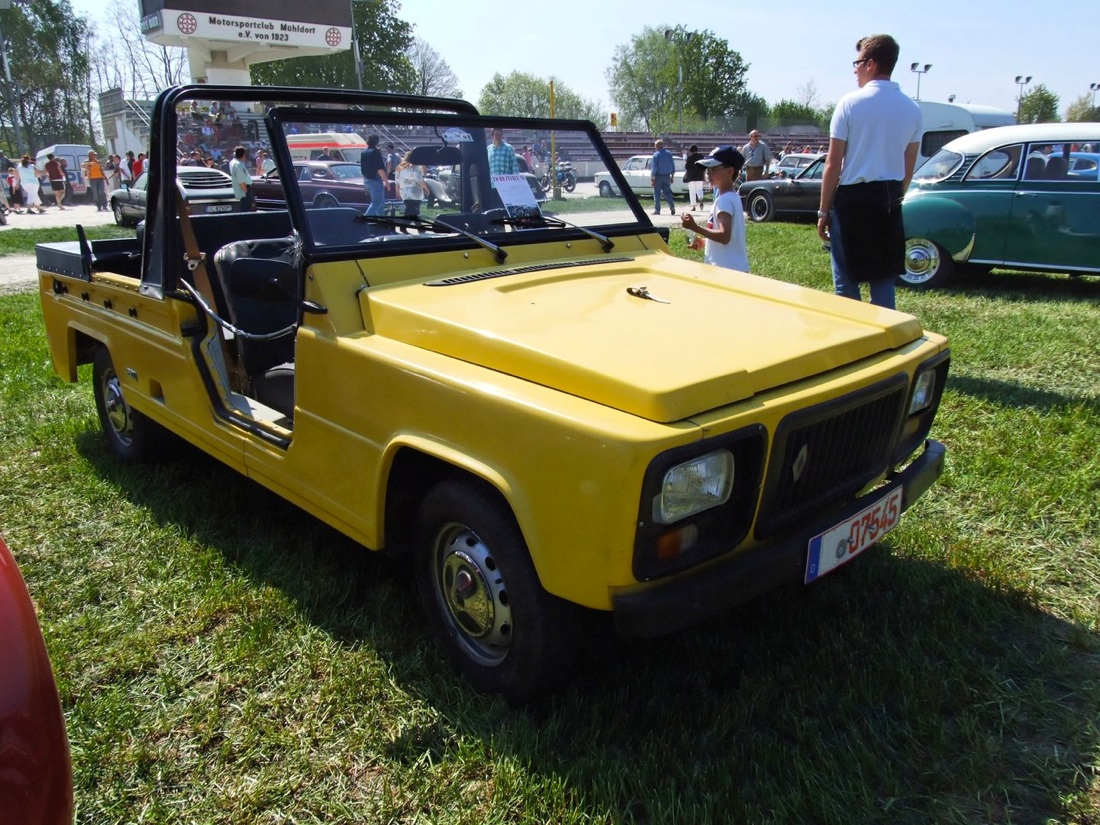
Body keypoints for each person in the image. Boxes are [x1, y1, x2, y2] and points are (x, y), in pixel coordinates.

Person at [817, 33, 921, 310]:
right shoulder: (912, 109)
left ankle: (853, 338)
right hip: (890, 194)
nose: (855, 69)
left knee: (846, 277)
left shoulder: (850, 103)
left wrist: (823, 211)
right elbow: (908, 169)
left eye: (857, 62)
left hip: (853, 197)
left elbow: (832, 164)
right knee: (883, 278)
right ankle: (886, 338)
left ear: (871, 63)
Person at [680, 145, 748, 272]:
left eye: (714, 169)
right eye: (707, 170)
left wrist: (694, 227)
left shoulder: (725, 200)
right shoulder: (731, 197)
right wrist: (705, 242)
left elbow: (724, 236)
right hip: (734, 269)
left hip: (726, 272)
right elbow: (730, 238)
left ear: (730, 171)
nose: (708, 174)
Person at [394, 151, 429, 218]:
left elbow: (397, 182)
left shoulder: (399, 168)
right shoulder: (415, 167)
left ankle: (417, 225)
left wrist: (397, 192)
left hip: (404, 192)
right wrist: (426, 189)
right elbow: (420, 180)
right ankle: (405, 224)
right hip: (415, 192)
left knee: (411, 209)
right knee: (413, 210)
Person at [359, 133, 388, 216]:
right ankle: (364, 220)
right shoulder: (375, 152)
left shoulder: (363, 152)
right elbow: (379, 169)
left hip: (367, 180)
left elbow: (363, 169)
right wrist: (386, 181)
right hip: (375, 181)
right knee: (377, 203)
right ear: (377, 142)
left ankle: (381, 222)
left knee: (380, 203)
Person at [650, 139, 676, 215]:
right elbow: (672, 166)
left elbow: (654, 168)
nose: (655, 147)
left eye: (655, 145)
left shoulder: (656, 155)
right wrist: (672, 176)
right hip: (667, 176)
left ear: (657, 146)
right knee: (667, 193)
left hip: (658, 176)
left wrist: (652, 178)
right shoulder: (669, 154)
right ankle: (672, 206)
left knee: (657, 193)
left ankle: (657, 210)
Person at [228, 145, 254, 211]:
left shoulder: (233, 162)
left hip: (241, 190)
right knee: (247, 210)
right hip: (244, 191)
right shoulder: (238, 165)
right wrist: (247, 193)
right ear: (243, 154)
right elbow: (241, 182)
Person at [683, 144, 706, 212]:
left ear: (690, 150)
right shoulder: (701, 156)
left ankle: (693, 206)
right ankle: (701, 198)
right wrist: (704, 176)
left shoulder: (690, 157)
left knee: (692, 191)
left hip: (691, 176)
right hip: (700, 175)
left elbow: (686, 167)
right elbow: (703, 167)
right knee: (699, 189)